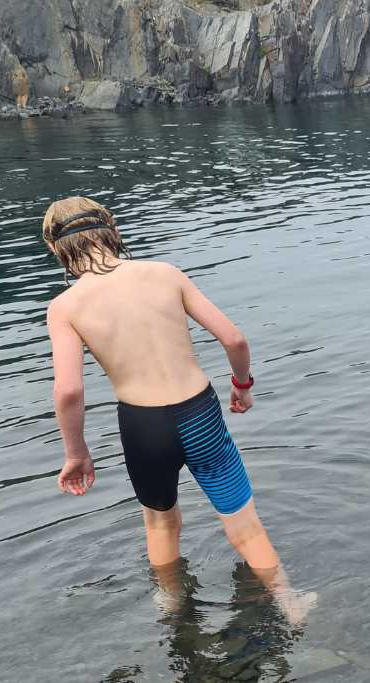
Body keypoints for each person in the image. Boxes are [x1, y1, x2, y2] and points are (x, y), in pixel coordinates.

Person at [41, 196, 314, 624]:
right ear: (112, 231)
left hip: (142, 424)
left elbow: (69, 392)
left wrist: (76, 453)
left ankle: (171, 604)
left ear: (57, 248)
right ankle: (289, 603)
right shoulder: (164, 274)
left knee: (160, 524)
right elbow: (235, 339)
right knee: (244, 524)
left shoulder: (65, 307)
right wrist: (242, 386)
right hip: (199, 414)